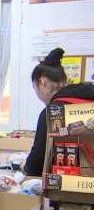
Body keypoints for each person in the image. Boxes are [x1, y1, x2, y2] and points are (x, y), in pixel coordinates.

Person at [24, 48, 94, 176]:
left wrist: (25, 168)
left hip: (67, 189)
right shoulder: (89, 101)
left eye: (35, 89)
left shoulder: (52, 113)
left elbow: (37, 164)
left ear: (41, 83)